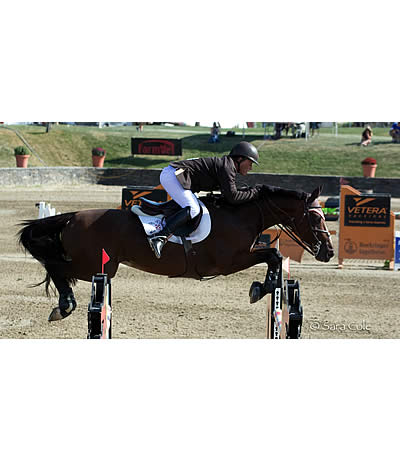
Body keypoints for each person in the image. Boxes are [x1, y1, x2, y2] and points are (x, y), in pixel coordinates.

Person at [147, 141, 261, 258]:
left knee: (193, 206)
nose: (251, 167)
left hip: (174, 175)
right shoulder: (227, 167)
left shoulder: (227, 165)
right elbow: (232, 197)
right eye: (250, 162)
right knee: (193, 209)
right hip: (172, 176)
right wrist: (255, 193)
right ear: (240, 159)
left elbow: (228, 195)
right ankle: (159, 237)